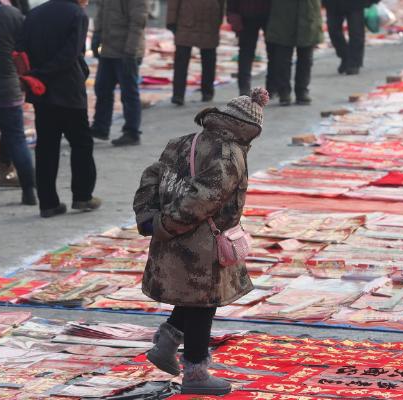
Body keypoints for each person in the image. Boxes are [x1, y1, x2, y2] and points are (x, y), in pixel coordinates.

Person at [133, 87, 269, 396]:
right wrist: (168, 224)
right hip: (201, 239)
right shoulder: (228, 152)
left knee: (193, 296)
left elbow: (151, 177)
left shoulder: (184, 141)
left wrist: (150, 217)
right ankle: (195, 372)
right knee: (205, 302)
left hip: (175, 234)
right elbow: (206, 198)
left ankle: (167, 342)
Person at [18, 0, 101, 218]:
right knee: (81, 143)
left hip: (41, 91)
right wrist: (46, 72)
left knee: (46, 147)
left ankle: (48, 203)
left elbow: (21, 51)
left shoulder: (34, 14)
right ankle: (82, 196)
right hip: (68, 91)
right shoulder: (77, 14)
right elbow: (71, 54)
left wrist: (35, 75)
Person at [0, 0, 35, 208]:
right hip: (8, 88)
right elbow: (25, 46)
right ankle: (29, 191)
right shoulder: (11, 14)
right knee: (17, 141)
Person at [90, 0, 149, 147]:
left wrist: (130, 52)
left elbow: (138, 22)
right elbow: (101, 10)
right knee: (102, 88)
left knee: (128, 93)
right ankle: (100, 127)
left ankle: (132, 132)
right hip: (109, 49)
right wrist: (97, 33)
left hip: (127, 51)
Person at [167, 0, 225, 106]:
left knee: (187, 60)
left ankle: (180, 94)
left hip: (195, 17)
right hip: (197, 17)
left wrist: (171, 21)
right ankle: (204, 93)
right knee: (202, 58)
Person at [266, 0, 323, 106]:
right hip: (283, 14)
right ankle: (284, 92)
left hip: (308, 11)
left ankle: (302, 91)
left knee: (306, 58)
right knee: (282, 58)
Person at [227, 0, 276, 96]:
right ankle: (247, 88)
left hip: (261, 13)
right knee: (270, 52)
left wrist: (232, 12)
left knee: (271, 52)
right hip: (252, 13)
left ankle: (247, 88)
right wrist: (232, 12)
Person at [322, 0, 378, 75]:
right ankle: (345, 56)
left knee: (356, 31)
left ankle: (354, 63)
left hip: (355, 3)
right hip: (333, 3)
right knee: (333, 30)